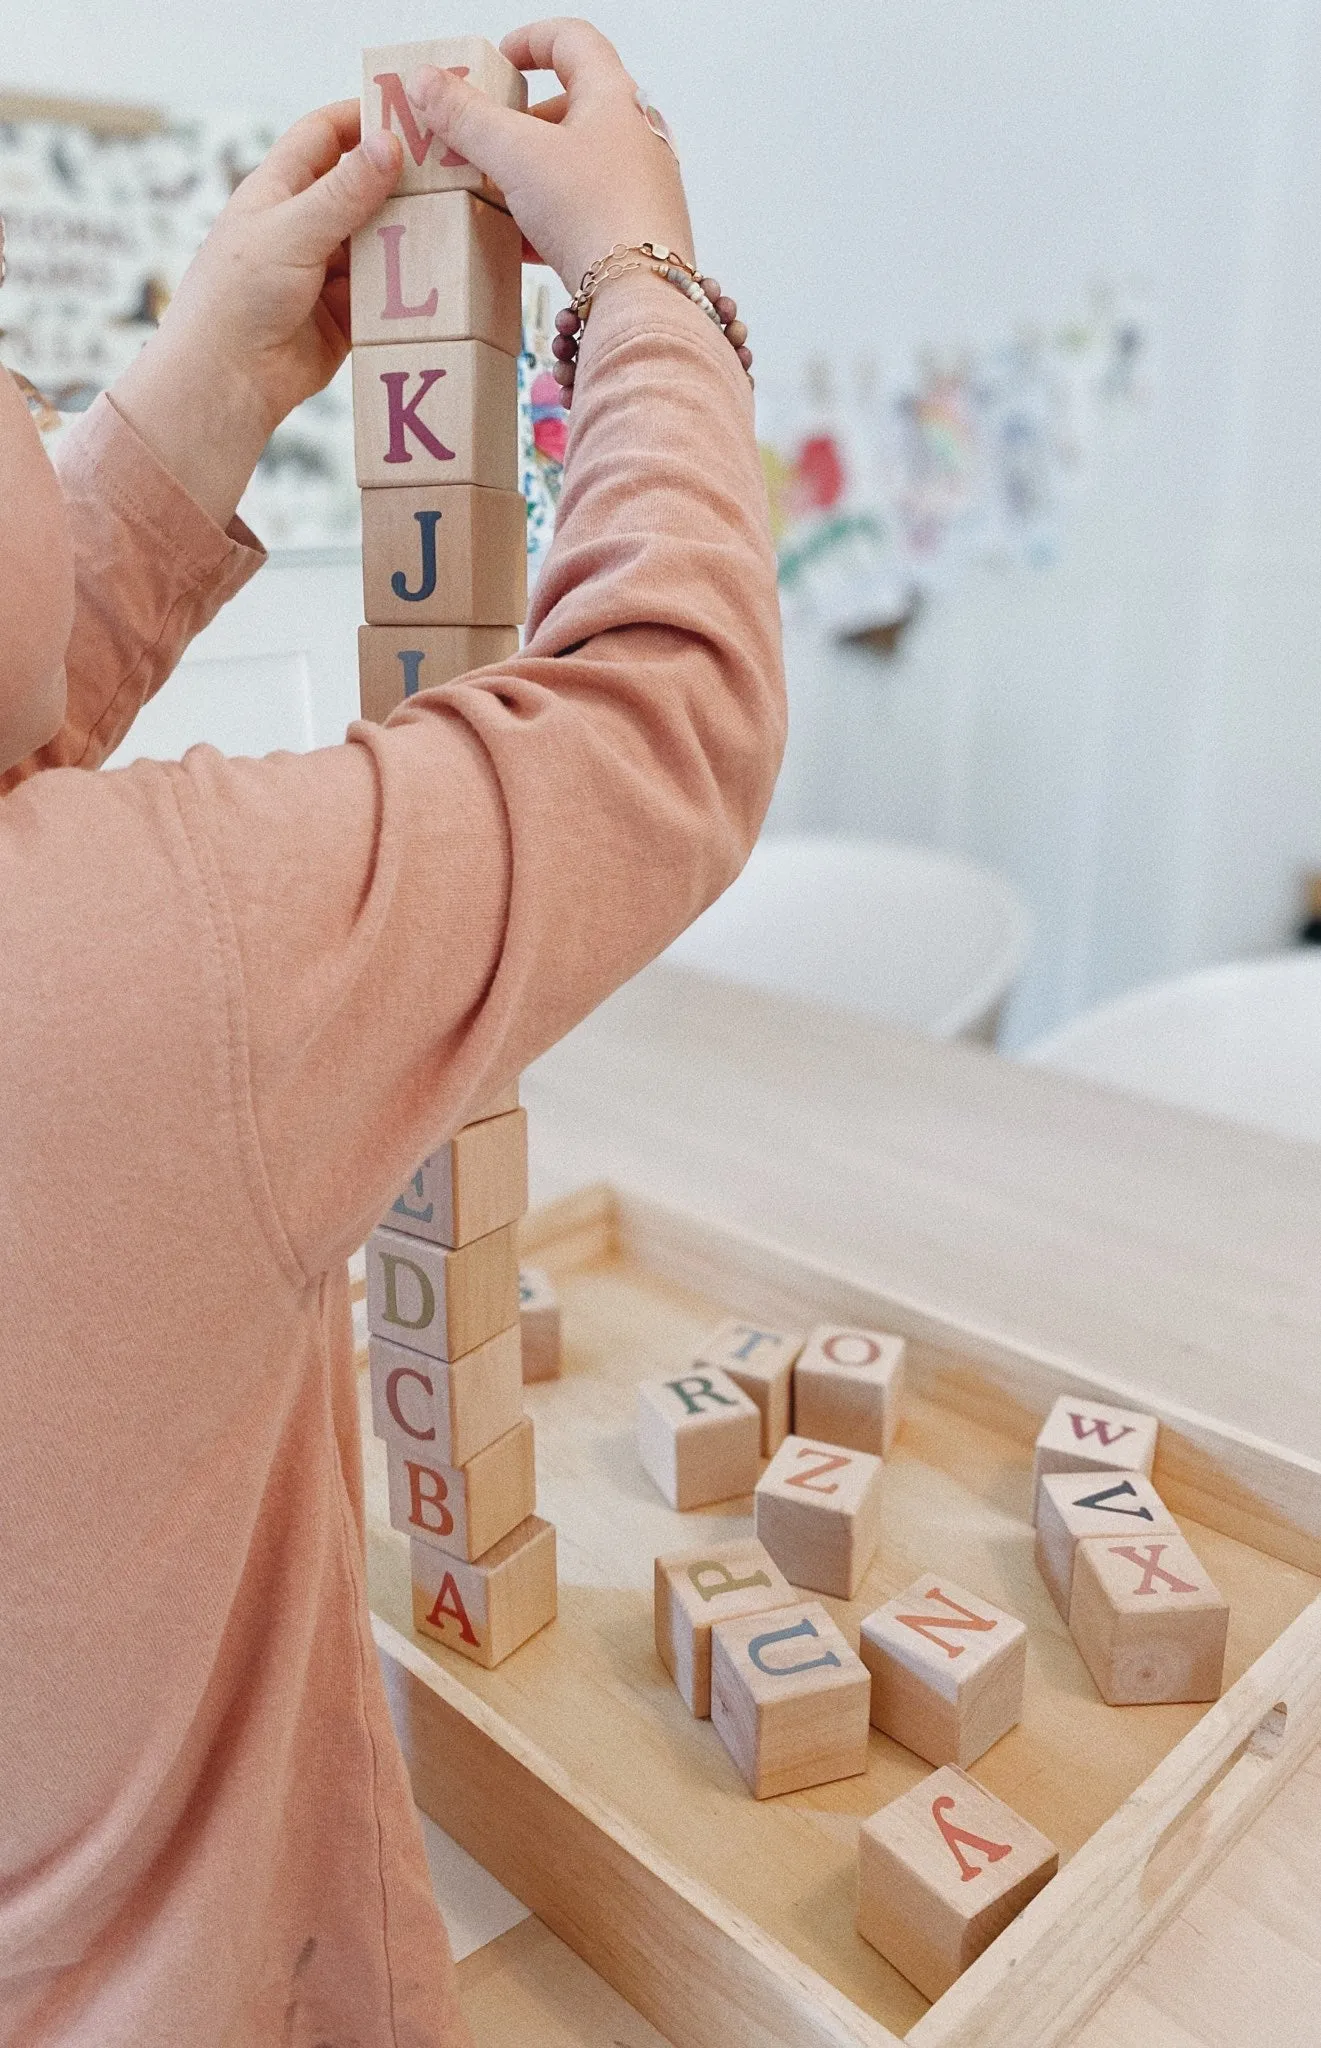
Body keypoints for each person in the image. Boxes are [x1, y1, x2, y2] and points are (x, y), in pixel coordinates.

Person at [0, 19, 783, 2047]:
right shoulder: (171, 965)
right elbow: (655, 712)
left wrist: (214, 379)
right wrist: (641, 284)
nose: (27, 398)